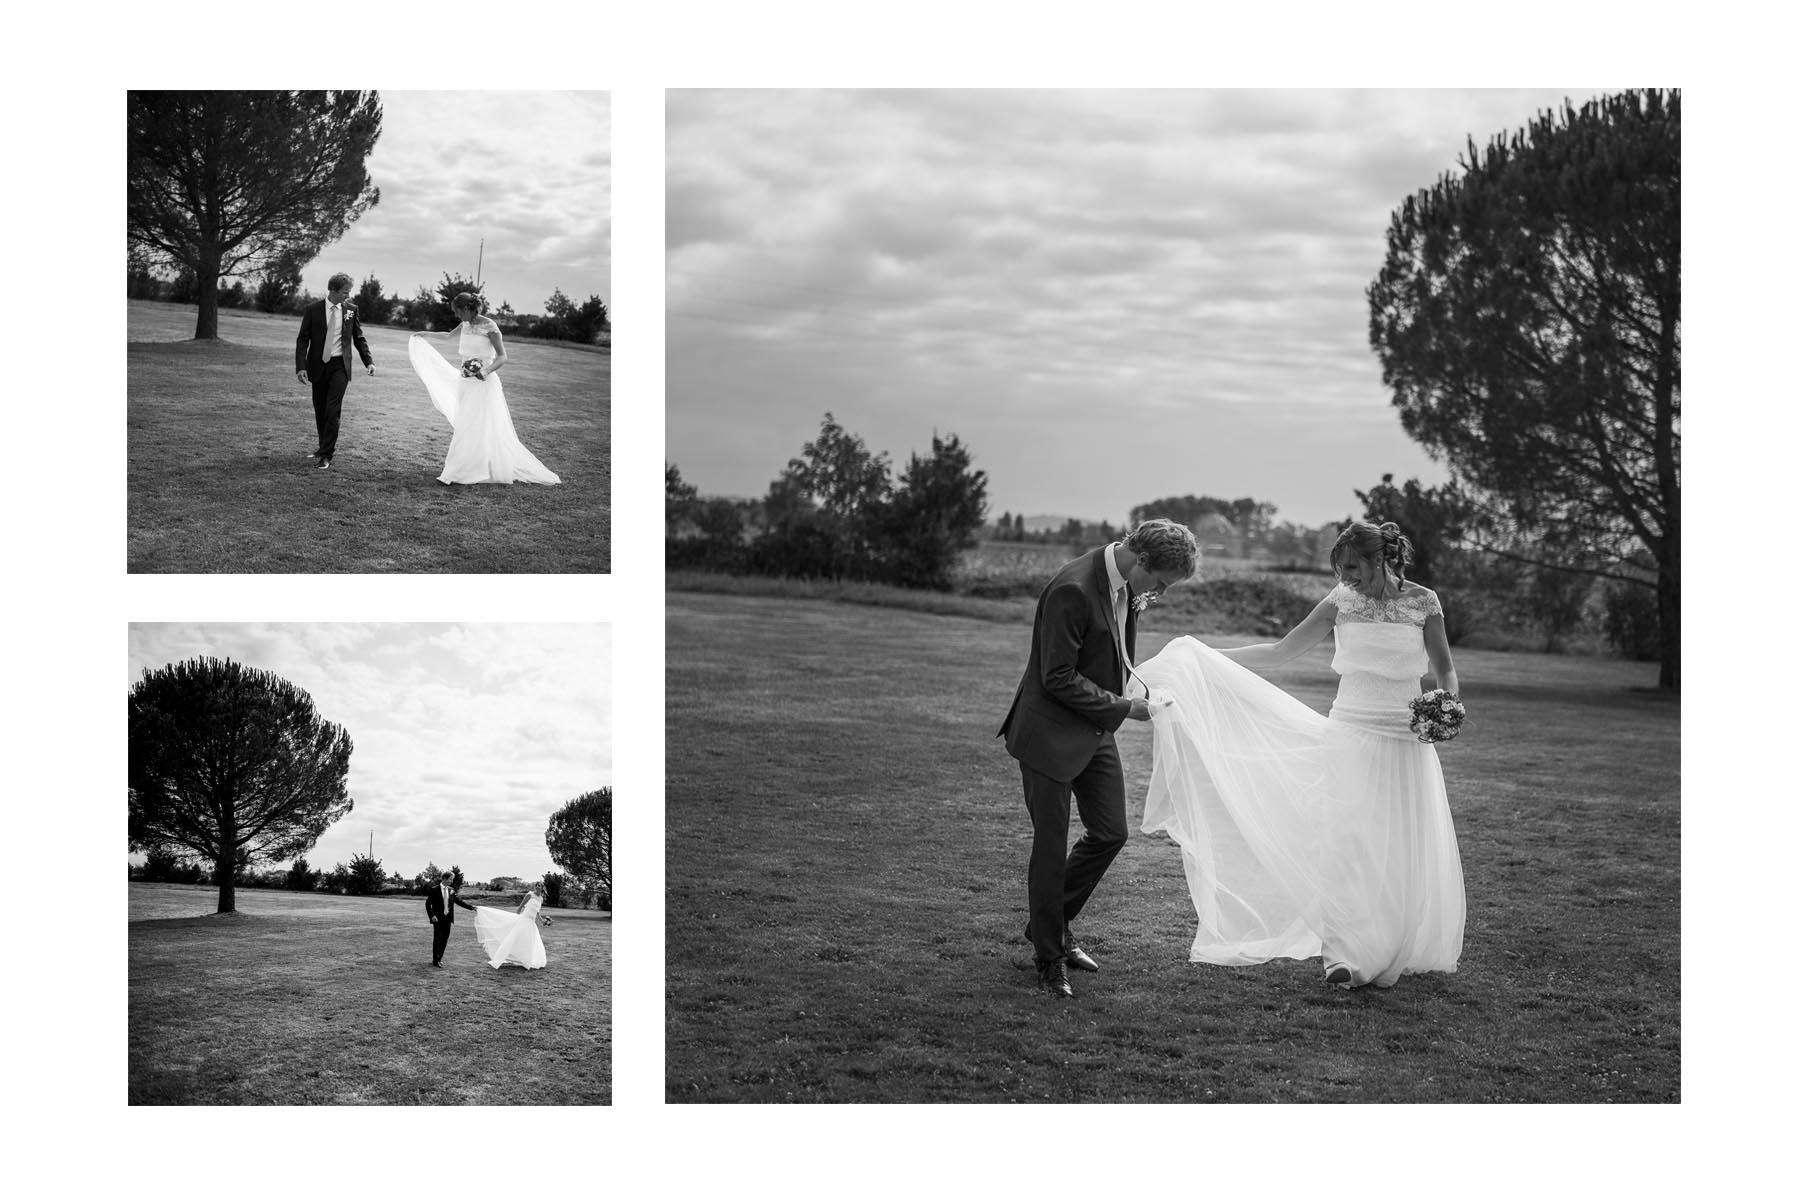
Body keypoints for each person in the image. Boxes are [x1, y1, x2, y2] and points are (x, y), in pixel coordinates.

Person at [1135, 520, 1466, 989]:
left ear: (1380, 559)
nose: (1345, 576)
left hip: (1404, 735)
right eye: (1340, 568)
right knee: (1345, 840)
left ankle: (1391, 941)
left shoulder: (1423, 602)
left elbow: (1445, 670)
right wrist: (1207, 656)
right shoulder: (1340, 601)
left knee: (1395, 843)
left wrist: (1446, 703)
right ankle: (1345, 954)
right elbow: (1279, 651)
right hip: (1350, 729)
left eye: (1353, 567)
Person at [998, 518, 1202, 998]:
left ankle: (1048, 923)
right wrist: (1123, 708)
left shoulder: (1126, 586)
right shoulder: (1073, 589)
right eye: (1162, 584)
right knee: (1049, 849)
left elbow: (1109, 658)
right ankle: (1050, 956)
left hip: (1093, 732)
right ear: (1142, 560)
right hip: (1048, 734)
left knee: (1112, 833)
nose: (1161, 593)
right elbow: (1056, 676)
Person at [407, 293, 561, 485]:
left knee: (470, 426)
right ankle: (470, 466)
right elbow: (448, 337)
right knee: (468, 425)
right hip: (465, 383)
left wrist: (486, 371)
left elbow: (502, 356)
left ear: (467, 309)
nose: (456, 315)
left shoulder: (490, 326)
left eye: (457, 311)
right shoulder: (465, 325)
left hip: (483, 384)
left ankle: (456, 472)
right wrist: (424, 335)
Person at [294, 272, 375, 471]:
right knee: (320, 410)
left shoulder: (351, 310)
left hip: (340, 367)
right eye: (345, 292)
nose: (348, 296)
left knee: (332, 411)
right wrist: (301, 367)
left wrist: (369, 362)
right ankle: (322, 448)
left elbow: (359, 338)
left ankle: (326, 455)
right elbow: (303, 339)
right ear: (333, 290)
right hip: (318, 366)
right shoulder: (312, 309)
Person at [473, 889, 553, 970]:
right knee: (513, 938)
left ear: (542, 888)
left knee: (528, 941)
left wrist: (543, 921)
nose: (538, 887)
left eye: (540, 885)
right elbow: (521, 906)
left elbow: (537, 912)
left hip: (532, 923)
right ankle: (503, 956)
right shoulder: (530, 895)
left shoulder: (541, 899)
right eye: (537, 885)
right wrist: (516, 918)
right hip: (524, 919)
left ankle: (525, 959)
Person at [424, 872, 478, 968]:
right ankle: (435, 961)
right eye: (450, 879)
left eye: (452, 879)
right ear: (444, 878)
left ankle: (439, 958)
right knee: (437, 939)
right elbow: (428, 904)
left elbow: (459, 902)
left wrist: (471, 907)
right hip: (437, 919)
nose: (451, 881)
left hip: (448, 919)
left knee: (444, 939)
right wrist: (432, 916)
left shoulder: (451, 890)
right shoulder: (434, 890)